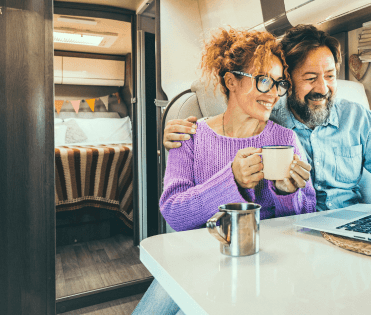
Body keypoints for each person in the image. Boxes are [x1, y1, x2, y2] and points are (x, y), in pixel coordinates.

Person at [133, 28, 316, 314]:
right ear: (231, 81)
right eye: (263, 80)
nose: (273, 95)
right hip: (199, 256)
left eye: (278, 83)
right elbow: (174, 213)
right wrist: (231, 179)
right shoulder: (190, 136)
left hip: (266, 260)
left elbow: (304, 223)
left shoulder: (286, 140)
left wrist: (285, 193)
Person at [164, 24, 371, 211]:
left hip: (347, 225)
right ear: (291, 82)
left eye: (329, 76)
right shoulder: (268, 122)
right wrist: (185, 129)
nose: (323, 88)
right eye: (309, 78)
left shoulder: (356, 119)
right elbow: (235, 120)